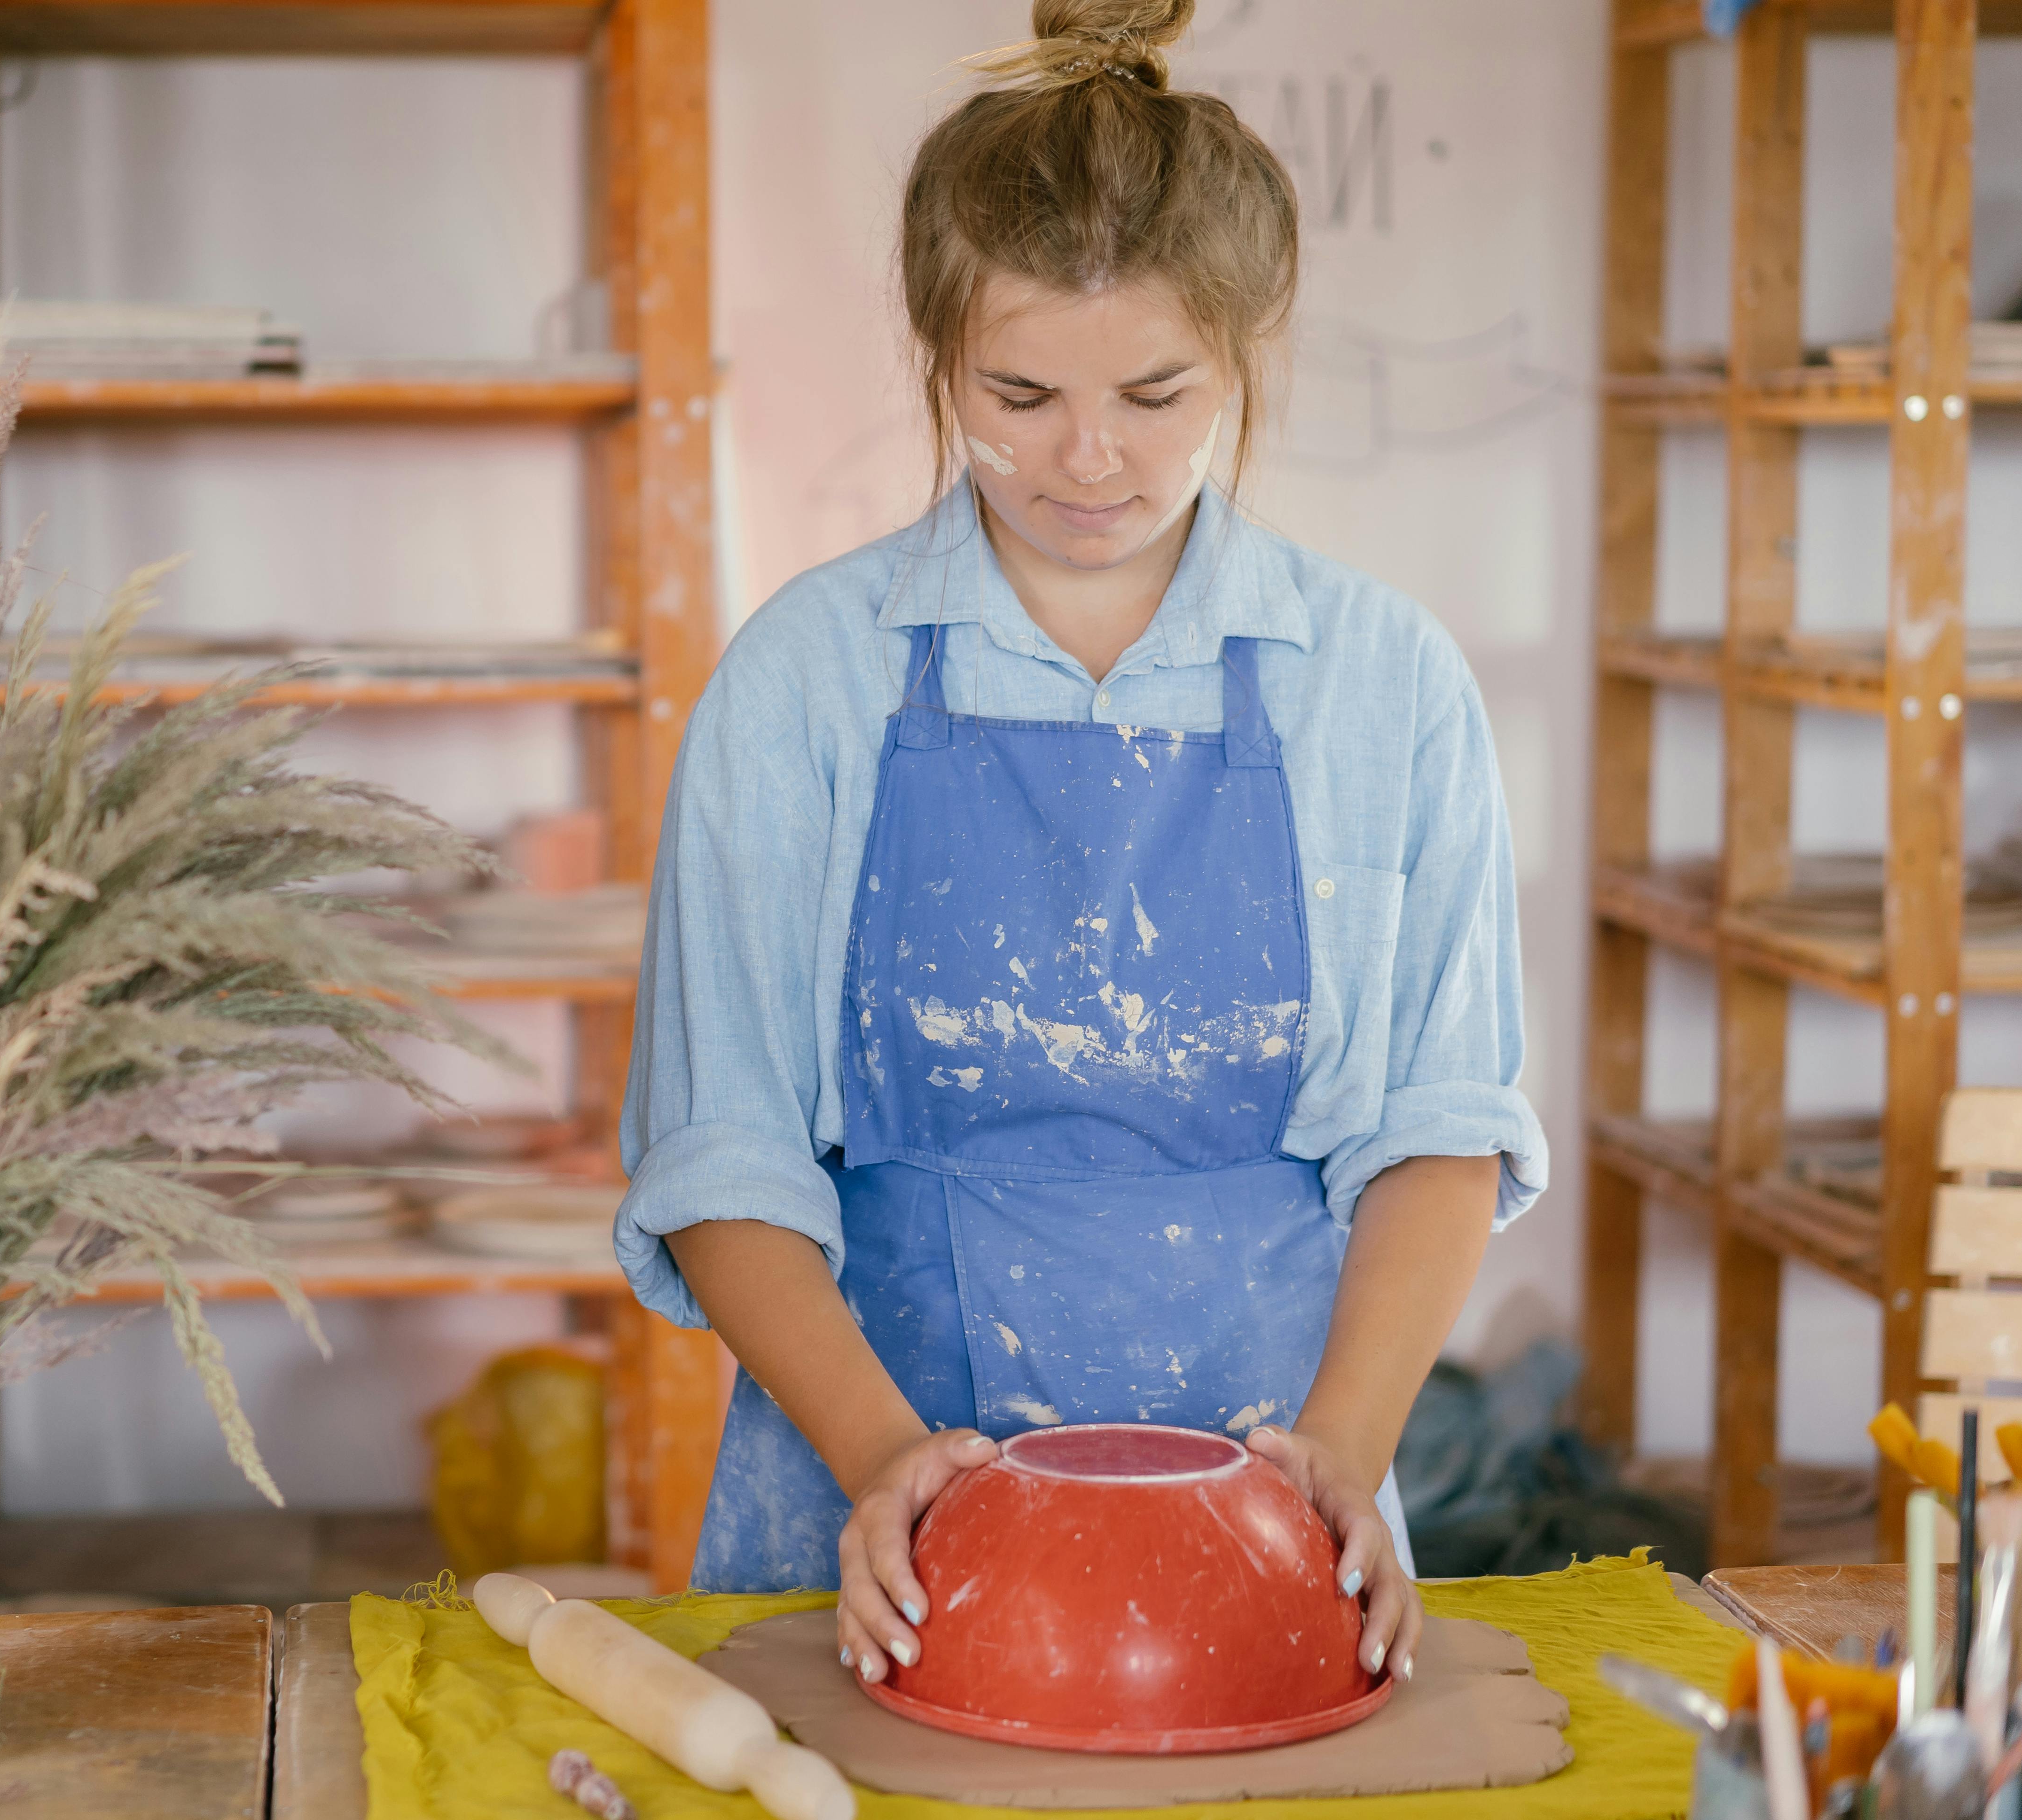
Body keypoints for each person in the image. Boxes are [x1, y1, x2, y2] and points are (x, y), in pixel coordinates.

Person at [614, 0, 1547, 1691]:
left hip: (1279, 1491)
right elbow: (720, 1150)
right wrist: (887, 1459)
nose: (1088, 456)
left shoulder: (1382, 685)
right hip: (879, 1499)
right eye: (1019, 392)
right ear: (934, 361)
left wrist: (1341, 1449)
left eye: (1155, 391)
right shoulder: (806, 680)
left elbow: (1436, 1120)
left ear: (1248, 355)